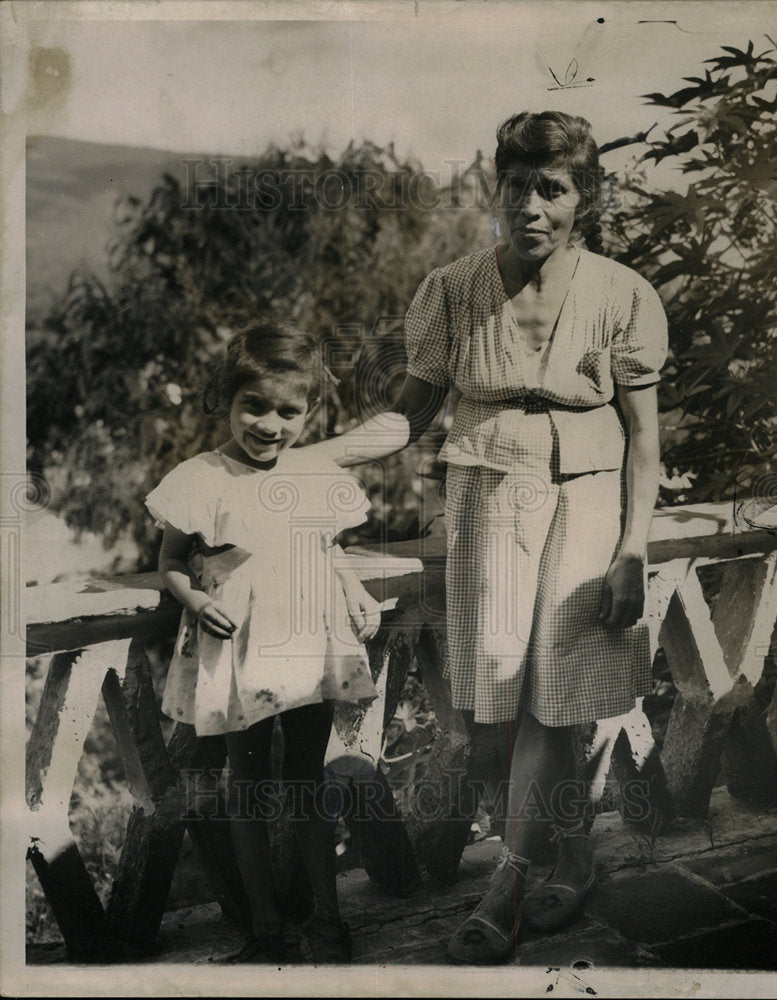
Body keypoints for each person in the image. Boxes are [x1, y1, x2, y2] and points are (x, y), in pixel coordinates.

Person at [303, 110, 667, 963]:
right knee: (505, 699)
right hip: (486, 497)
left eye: (556, 187)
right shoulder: (454, 290)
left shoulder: (622, 295)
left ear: (586, 198)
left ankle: (506, 883)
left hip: (588, 501)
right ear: (493, 188)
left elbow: (646, 439)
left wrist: (634, 549)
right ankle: (573, 859)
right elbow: (407, 416)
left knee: (554, 694)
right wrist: (307, 457)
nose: (534, 204)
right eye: (519, 185)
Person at [145, 320, 381, 964]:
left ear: (308, 412)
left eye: (288, 410)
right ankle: (265, 928)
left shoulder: (311, 471)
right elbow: (170, 560)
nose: (270, 424)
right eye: (255, 406)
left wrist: (356, 591)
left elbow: (326, 545)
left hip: (307, 640)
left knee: (306, 780)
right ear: (225, 400)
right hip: (239, 648)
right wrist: (193, 600)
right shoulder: (200, 477)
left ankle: (328, 919)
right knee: (246, 785)